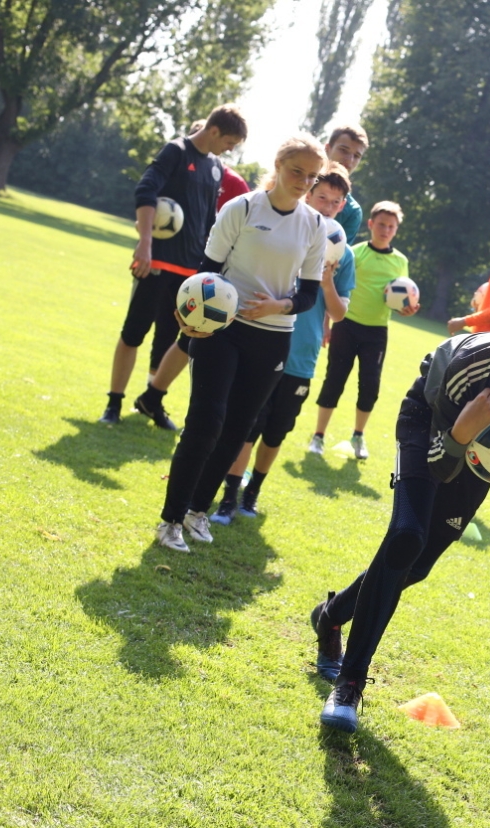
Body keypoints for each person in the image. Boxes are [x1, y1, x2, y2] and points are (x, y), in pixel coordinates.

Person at [316, 280, 490, 732]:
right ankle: (349, 686)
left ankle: (331, 615)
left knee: (416, 566)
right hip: (429, 423)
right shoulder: (470, 365)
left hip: (478, 462)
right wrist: (463, 432)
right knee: (406, 538)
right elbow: (442, 465)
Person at [154, 134, 329, 553]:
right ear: (279, 166)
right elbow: (207, 271)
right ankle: (170, 520)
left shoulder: (316, 225)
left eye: (312, 175)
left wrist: (278, 305)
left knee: (238, 430)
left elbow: (307, 295)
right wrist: (191, 322)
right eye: (296, 171)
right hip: (222, 331)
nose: (303, 181)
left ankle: (199, 510)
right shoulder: (244, 208)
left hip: (273, 340)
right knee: (206, 422)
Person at [211, 162, 357, 524]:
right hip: (264, 343)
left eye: (335, 202)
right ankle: (228, 495)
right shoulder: (289, 234)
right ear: (307, 194)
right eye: (321, 197)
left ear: (342, 207)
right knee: (247, 425)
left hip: (302, 358)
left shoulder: (344, 253)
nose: (327, 206)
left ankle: (252, 493)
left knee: (276, 432)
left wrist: (325, 282)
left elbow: (338, 314)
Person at [100, 104, 247, 429]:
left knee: (180, 339)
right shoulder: (176, 151)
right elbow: (145, 190)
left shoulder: (215, 169)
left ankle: (152, 400)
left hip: (190, 273)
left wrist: (212, 267)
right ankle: (113, 403)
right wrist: (145, 243)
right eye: (230, 142)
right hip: (155, 263)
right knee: (133, 333)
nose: (230, 149)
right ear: (213, 131)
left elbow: (209, 220)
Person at [309, 201, 417, 461]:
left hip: (377, 331)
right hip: (346, 325)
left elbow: (402, 294)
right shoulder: (354, 253)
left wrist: (407, 308)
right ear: (371, 224)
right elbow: (335, 289)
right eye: (381, 224)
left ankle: (358, 435)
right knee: (334, 379)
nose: (386, 229)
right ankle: (318, 436)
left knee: (370, 386)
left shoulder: (401, 261)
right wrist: (326, 324)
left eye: (391, 226)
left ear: (396, 230)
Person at [323, 124, 369, 244]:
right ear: (327, 149)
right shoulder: (302, 184)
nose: (349, 159)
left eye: (356, 156)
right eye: (343, 150)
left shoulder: (353, 211)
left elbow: (337, 253)